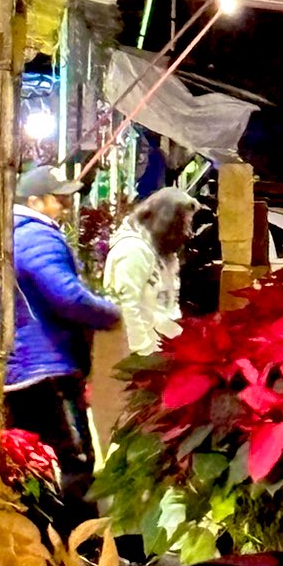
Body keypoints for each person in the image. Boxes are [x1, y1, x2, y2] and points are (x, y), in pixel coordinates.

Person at [7, 165, 120, 522]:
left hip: (23, 368)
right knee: (74, 461)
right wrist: (109, 313)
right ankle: (81, 550)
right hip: (47, 368)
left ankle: (44, 543)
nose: (66, 207)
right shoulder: (36, 237)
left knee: (35, 462)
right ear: (34, 201)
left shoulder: (13, 234)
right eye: (59, 200)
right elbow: (66, 296)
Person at [88, 190, 196, 453]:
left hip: (160, 357)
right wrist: (143, 358)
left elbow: (168, 305)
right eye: (184, 224)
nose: (189, 232)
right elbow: (129, 310)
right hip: (137, 361)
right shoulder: (132, 252)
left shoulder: (163, 253)